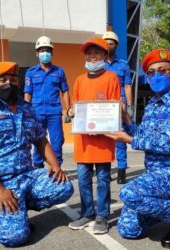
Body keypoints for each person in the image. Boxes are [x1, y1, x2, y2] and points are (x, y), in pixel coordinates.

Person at [0, 62, 73, 247]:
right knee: (14, 238)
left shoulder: (27, 108)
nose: (9, 83)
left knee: (64, 187)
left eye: (13, 79)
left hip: (26, 175)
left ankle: (19, 205)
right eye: (3, 80)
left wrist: (55, 165)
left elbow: (40, 139)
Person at [106, 49, 170, 248]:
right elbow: (142, 134)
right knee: (128, 230)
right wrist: (125, 117)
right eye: (151, 72)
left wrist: (128, 139)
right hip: (155, 176)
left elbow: (167, 143)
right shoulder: (152, 105)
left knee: (130, 193)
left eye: (162, 71)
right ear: (147, 78)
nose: (156, 75)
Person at [67, 37, 121, 234]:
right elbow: (74, 105)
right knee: (83, 178)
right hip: (83, 140)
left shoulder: (112, 78)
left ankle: (102, 216)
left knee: (104, 179)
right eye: (89, 54)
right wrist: (71, 112)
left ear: (105, 56)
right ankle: (88, 212)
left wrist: (109, 121)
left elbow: (115, 106)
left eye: (96, 53)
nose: (92, 57)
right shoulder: (79, 80)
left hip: (103, 139)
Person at [24, 36, 70, 167]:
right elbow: (27, 93)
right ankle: (38, 167)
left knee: (57, 140)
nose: (45, 53)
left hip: (54, 112)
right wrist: (27, 112)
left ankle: (57, 167)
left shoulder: (59, 72)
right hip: (36, 112)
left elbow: (65, 91)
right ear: (37, 53)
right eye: (42, 50)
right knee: (38, 139)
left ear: (52, 53)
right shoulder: (31, 72)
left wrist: (68, 109)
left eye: (48, 50)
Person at [102, 31, 132, 184]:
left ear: (116, 45)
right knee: (105, 139)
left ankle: (121, 171)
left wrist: (130, 105)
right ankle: (105, 170)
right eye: (106, 42)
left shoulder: (123, 64)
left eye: (111, 43)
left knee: (120, 139)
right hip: (103, 107)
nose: (108, 45)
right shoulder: (98, 64)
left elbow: (127, 85)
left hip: (120, 107)